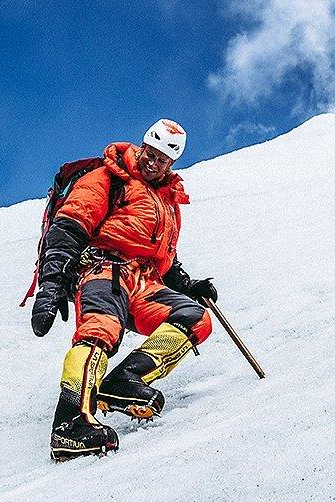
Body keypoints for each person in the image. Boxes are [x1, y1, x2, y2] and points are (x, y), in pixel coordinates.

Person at [32, 119, 217, 461]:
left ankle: (123, 382)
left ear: (171, 163)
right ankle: (69, 423)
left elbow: (159, 253)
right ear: (142, 146)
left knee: (195, 319)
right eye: (150, 153)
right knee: (100, 331)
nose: (153, 162)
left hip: (145, 282)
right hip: (104, 269)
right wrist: (52, 283)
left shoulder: (167, 200)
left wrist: (187, 284)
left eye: (162, 159)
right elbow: (69, 226)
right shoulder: (109, 176)